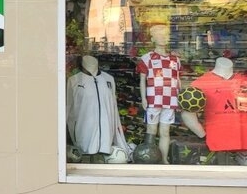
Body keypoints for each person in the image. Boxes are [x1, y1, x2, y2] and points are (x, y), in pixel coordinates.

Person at [66, 54, 130, 162]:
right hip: (83, 133)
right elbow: (68, 108)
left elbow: (113, 107)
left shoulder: (109, 79)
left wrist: (118, 139)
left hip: (106, 135)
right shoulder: (74, 81)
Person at [137, 25, 180, 164]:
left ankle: (163, 160)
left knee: (165, 131)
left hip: (171, 100)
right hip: (153, 99)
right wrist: (144, 98)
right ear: (153, 39)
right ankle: (148, 158)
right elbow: (142, 80)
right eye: (159, 35)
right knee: (151, 129)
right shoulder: (146, 58)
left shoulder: (175, 59)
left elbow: (177, 79)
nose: (163, 38)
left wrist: (179, 96)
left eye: (165, 35)